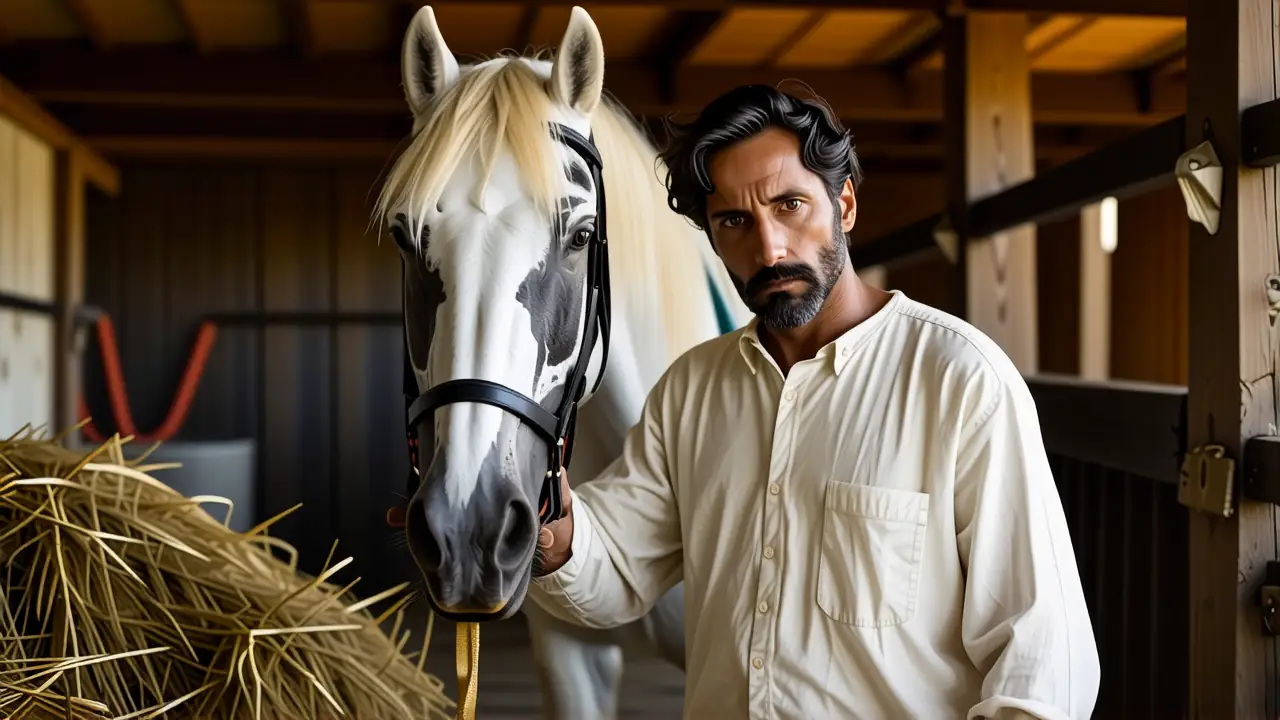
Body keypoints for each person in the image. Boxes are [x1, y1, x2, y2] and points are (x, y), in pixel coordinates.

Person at [526, 84, 1100, 720]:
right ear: (712, 238)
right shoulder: (690, 392)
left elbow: (1044, 663)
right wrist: (550, 534)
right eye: (734, 222)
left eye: (790, 204)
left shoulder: (962, 381)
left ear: (845, 203)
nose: (768, 249)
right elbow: (615, 570)